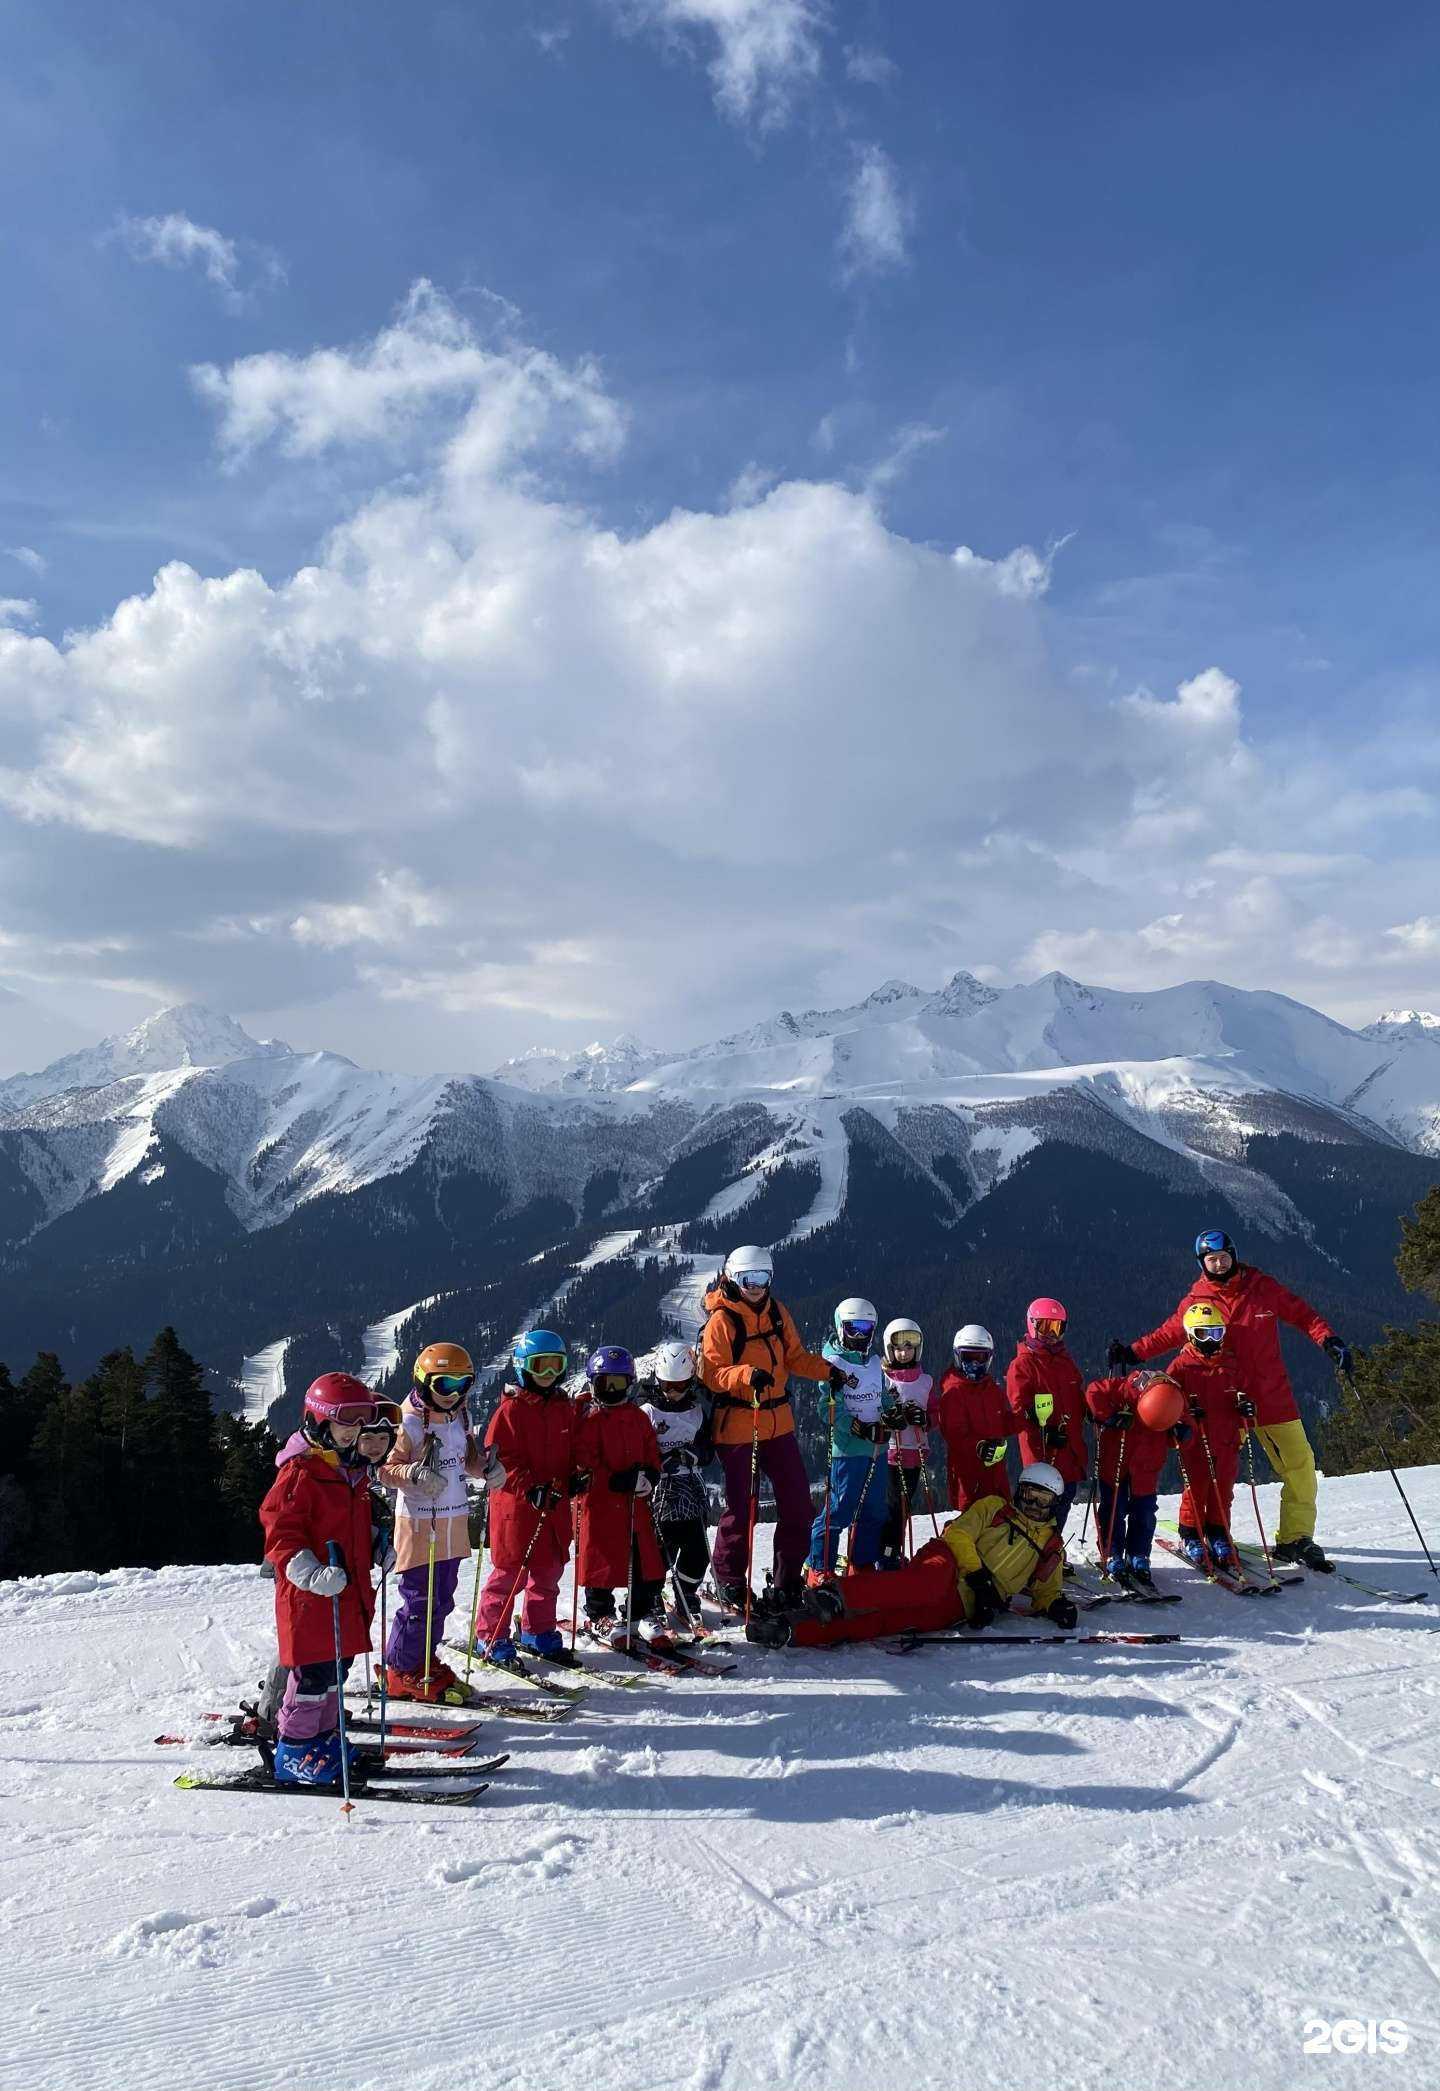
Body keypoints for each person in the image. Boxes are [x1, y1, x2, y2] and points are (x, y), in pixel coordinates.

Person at [1112, 1227, 1351, 1571]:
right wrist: (1133, 1352)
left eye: (1224, 1257)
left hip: (1272, 1397)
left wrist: (1328, 1340)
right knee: (1209, 1472)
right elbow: (1170, 1332)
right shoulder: (1198, 1300)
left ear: (1234, 1255)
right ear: (1202, 1263)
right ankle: (1201, 1530)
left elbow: (1303, 1315)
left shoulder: (1262, 1288)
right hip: (1221, 1402)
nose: (1220, 1265)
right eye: (1213, 1260)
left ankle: (1295, 1538)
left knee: (1300, 1465)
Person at [748, 1463, 1078, 1648]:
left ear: (1054, 1505)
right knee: (923, 1586)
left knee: (890, 1621)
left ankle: (792, 1631)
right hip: (948, 1560)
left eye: (1041, 1500)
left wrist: (1055, 1605)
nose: (1032, 1506)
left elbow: (1045, 1589)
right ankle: (831, 1595)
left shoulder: (1049, 1545)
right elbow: (959, 1533)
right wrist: (978, 1575)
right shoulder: (995, 1507)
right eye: (1028, 1496)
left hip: (967, 1601)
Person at [699, 1244, 848, 1610]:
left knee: (798, 1505)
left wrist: (827, 1371)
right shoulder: (723, 1321)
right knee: (742, 1506)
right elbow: (712, 1373)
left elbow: (795, 1357)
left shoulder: (777, 1313)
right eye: (750, 1279)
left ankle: (786, 1581)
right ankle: (729, 1579)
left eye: (764, 1278)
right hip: (738, 1423)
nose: (757, 1287)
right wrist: (745, 1375)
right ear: (733, 1278)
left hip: (778, 1423)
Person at [257, 1372, 389, 1787]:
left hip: (346, 1596)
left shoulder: (351, 1472)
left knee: (337, 1671)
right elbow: (281, 1535)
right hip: (311, 1600)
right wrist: (309, 1572)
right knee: (312, 1677)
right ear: (319, 1421)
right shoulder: (300, 1473)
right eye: (344, 1422)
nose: (353, 1432)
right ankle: (294, 1749)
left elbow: (354, 1525)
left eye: (359, 1422)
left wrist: (376, 1546)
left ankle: (324, 1737)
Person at [377, 1341, 496, 1701]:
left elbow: (468, 1459)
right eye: (445, 1385)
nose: (453, 1394)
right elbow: (383, 1468)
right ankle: (399, 1669)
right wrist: (413, 1474)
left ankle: (422, 1661)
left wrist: (488, 1468)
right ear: (424, 1381)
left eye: (463, 1385)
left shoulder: (462, 1415)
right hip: (417, 1523)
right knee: (419, 1603)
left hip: (454, 1521)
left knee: (442, 1601)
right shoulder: (408, 1421)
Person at [473, 1329, 580, 1665]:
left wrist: (578, 1474)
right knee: (510, 1575)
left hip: (554, 1506)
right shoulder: (510, 1412)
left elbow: (578, 1449)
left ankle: (537, 1629)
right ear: (523, 1368)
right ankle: (490, 1636)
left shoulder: (566, 1409)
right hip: (517, 1509)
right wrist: (529, 1487)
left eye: (554, 1366)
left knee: (548, 1573)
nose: (547, 1375)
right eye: (539, 1366)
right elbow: (502, 1458)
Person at [572, 1345, 668, 1651]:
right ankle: (599, 1613)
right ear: (592, 1384)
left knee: (643, 1558)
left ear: (630, 1384)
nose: (612, 1391)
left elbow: (652, 1450)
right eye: (604, 1385)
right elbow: (584, 1460)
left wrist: (651, 1474)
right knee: (599, 1557)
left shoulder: (637, 1417)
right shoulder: (590, 1418)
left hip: (634, 1504)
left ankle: (640, 1612)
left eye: (619, 1384)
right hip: (600, 1504)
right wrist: (614, 1479)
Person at [1084, 1366, 1189, 1589]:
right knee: (1114, 1510)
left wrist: (1182, 1430)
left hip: (1146, 1467)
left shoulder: (1171, 1398)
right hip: (1115, 1463)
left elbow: (1182, 1425)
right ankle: (1112, 1553)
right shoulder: (1125, 1389)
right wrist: (1109, 1417)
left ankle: (1138, 1555)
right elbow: (1093, 1392)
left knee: (1144, 1513)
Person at [807, 1296, 890, 1578]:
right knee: (839, 1511)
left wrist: (894, 1415)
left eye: (865, 1329)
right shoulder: (833, 1364)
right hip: (848, 1451)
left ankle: (862, 1562)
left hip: (877, 1450)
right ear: (840, 1328)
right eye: (852, 1328)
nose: (859, 1335)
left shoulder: (876, 1363)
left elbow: (882, 1399)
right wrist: (860, 1428)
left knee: (875, 1510)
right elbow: (827, 1409)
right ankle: (820, 1567)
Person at [1164, 1300, 1251, 1570]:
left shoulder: (1231, 1364)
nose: (1212, 1340)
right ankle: (1190, 1534)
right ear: (1191, 1335)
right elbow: (1169, 1403)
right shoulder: (1181, 1367)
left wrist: (1246, 1409)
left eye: (1217, 1333)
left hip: (1226, 1440)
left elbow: (1244, 1394)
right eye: (1204, 1334)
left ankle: (1218, 1533)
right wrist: (1187, 1418)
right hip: (1195, 1442)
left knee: (1223, 1490)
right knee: (1197, 1488)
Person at [636, 1339, 715, 1631]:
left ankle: (686, 1592)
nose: (673, 1393)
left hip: (689, 1488)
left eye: (680, 1386)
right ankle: (651, 1597)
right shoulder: (647, 1412)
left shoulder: (697, 1412)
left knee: (697, 1550)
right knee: (659, 1549)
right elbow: (636, 1449)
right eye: (667, 1386)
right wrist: (656, 1461)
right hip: (658, 1493)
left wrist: (692, 1454)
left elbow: (708, 1449)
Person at [1006, 1297, 1090, 1541]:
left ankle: (1052, 1550)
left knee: (1064, 1499)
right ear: (1032, 1326)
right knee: (1040, 1504)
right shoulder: (1023, 1365)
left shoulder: (1065, 1361)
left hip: (1069, 1449)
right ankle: (1031, 1551)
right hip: (1041, 1451)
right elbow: (1017, 1410)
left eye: (1056, 1328)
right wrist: (1040, 1428)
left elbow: (1077, 1396)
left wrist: (1093, 1410)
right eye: (1044, 1327)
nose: (1050, 1335)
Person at [936, 1324, 1017, 1511]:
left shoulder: (992, 1390)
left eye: (980, 1357)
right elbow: (954, 1433)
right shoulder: (953, 1392)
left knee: (1000, 1522)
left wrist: (1027, 1417)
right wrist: (979, 1446)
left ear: (989, 1358)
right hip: (969, 1476)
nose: (974, 1364)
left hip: (995, 1474)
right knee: (973, 1525)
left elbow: (1003, 1423)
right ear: (958, 1356)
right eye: (968, 1357)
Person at [878, 1316, 937, 1567]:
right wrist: (890, 1418)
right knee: (890, 1506)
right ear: (890, 1349)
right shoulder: (883, 1379)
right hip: (890, 1454)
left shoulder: (926, 1381)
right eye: (899, 1348)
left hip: (915, 1454)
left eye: (909, 1348)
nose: (904, 1353)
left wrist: (924, 1418)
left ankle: (893, 1551)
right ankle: (885, 1554)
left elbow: (936, 1414)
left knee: (903, 1506)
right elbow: (874, 1409)